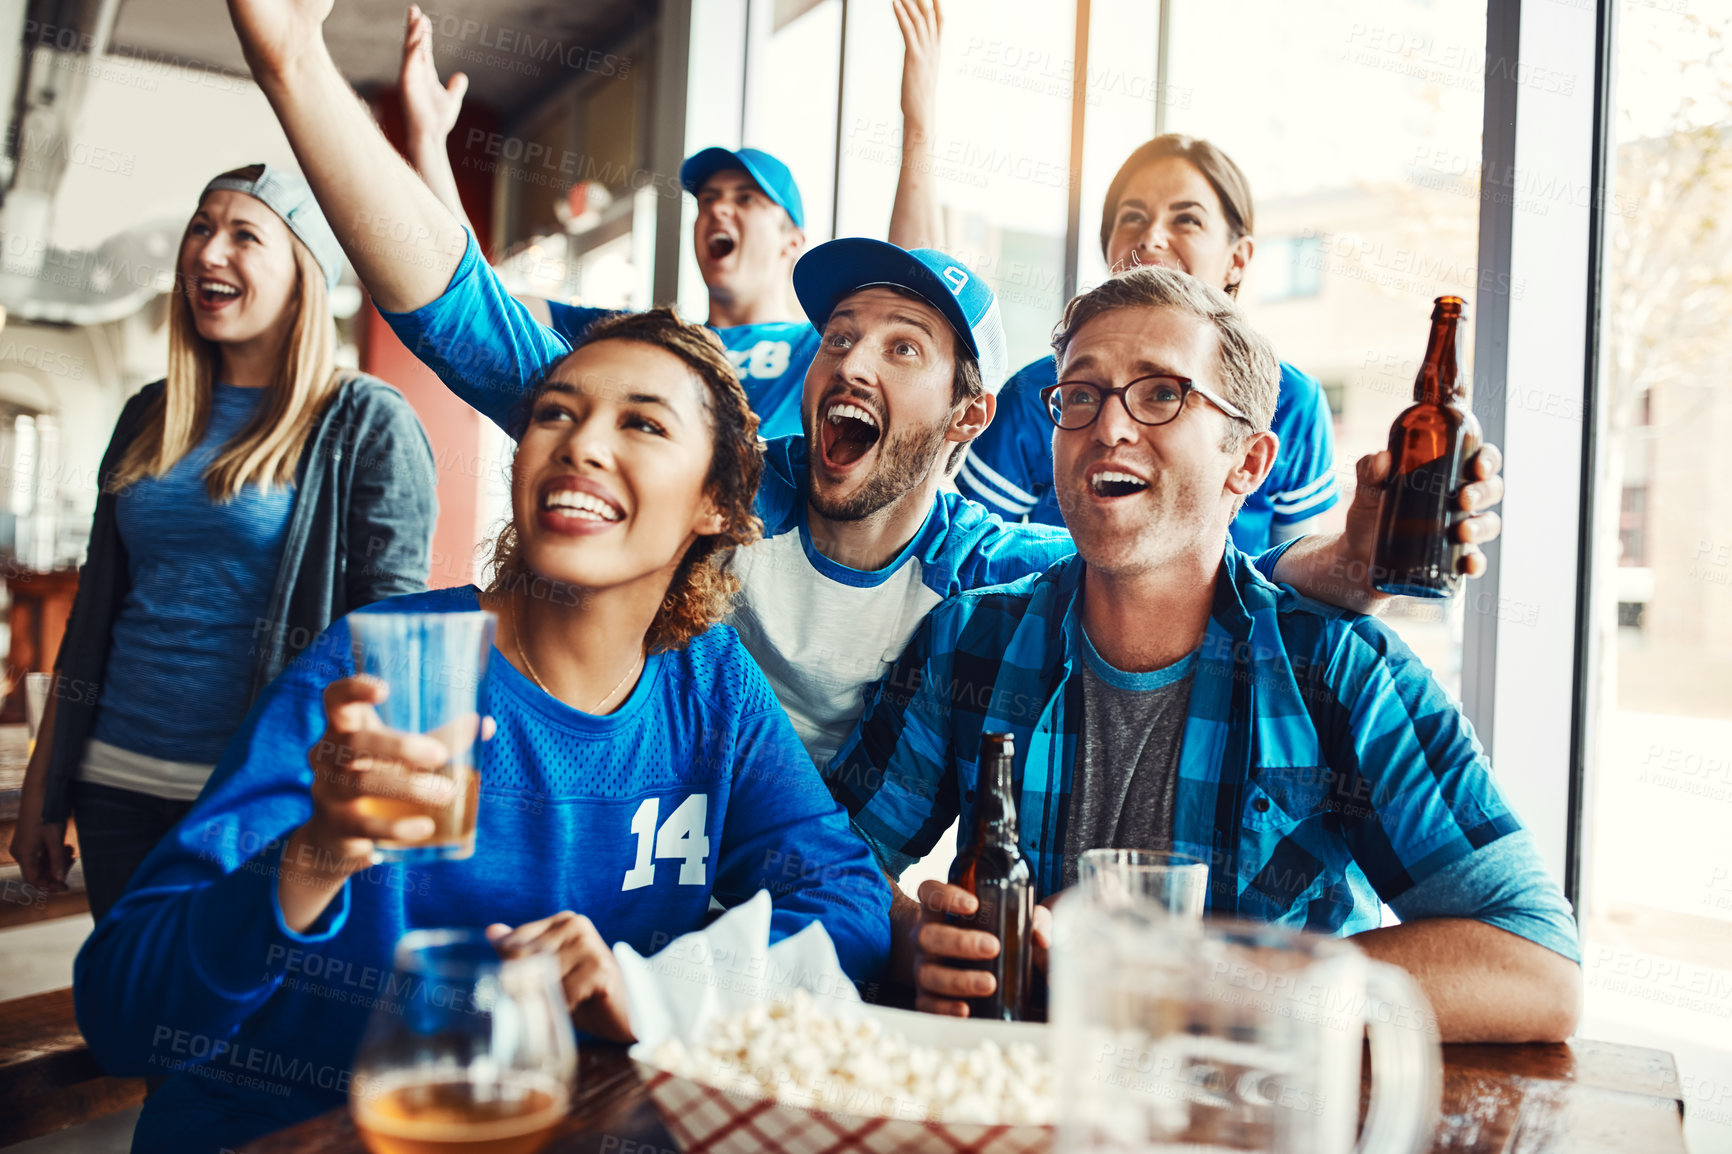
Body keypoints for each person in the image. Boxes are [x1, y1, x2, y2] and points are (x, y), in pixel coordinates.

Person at [225, 0, 1504, 780]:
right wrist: (296, 72)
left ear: (965, 420)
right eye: (839, 329)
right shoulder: (735, 488)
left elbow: (1178, 584)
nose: (851, 357)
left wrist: (1368, 557)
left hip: (806, 866)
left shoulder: (993, 572)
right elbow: (467, 323)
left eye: (902, 347)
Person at [73, 307, 892, 1154]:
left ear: (719, 502)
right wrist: (310, 857)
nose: (579, 443)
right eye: (554, 413)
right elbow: (120, 1014)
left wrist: (649, 993)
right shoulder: (380, 673)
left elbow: (848, 899)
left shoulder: (711, 686)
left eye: (642, 422)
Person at [826, 267, 1582, 1044]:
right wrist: (915, 940)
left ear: (1247, 464)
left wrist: (1203, 979)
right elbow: (825, 858)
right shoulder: (968, 642)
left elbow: (1536, 965)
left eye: (1161, 394)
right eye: (1080, 396)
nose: (1108, 427)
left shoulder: (1341, 672)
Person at [7, 165, 437, 921]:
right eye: (202, 229)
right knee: (128, 1010)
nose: (209, 252)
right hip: (117, 781)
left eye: (245, 235)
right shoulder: (148, 412)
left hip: (262, 792)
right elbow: (94, 616)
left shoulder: (365, 419)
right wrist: (49, 777)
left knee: (241, 1016)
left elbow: (392, 639)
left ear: (304, 272)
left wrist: (360, 810)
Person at [396, 0, 947, 440]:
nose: (718, 209)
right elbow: (473, 297)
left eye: (747, 199)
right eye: (706, 199)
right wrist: (427, 142)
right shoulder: (651, 342)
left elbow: (916, 299)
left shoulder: (823, 352)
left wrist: (919, 122)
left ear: (792, 241)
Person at [957, 135, 1339, 552]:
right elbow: (974, 557)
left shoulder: (1294, 402)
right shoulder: (1035, 396)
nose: (1152, 237)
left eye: (1187, 220)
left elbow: (1298, 577)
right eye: (1133, 217)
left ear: (1238, 259)